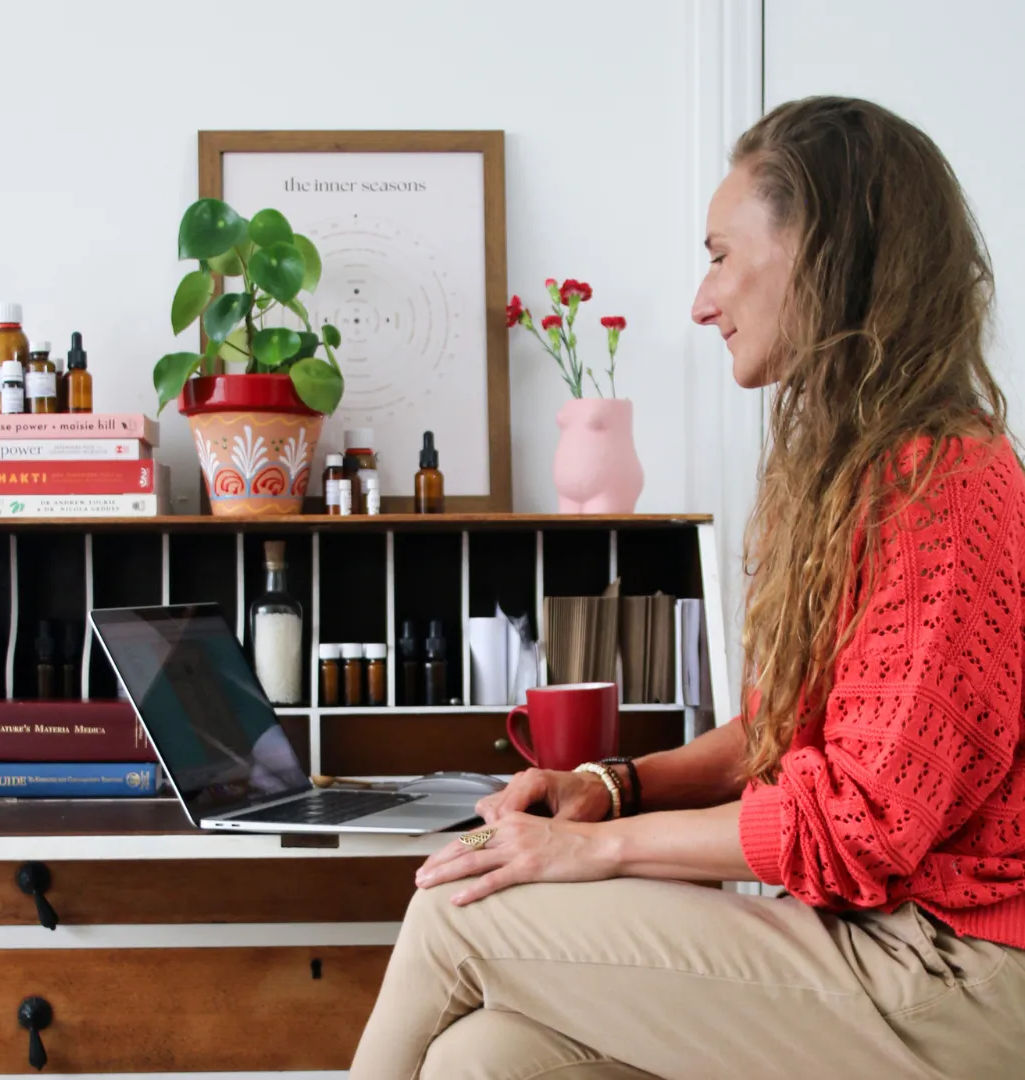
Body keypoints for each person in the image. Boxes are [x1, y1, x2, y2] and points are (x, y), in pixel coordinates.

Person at [348, 96, 1025, 1080]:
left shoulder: (947, 483)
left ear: (824, 252)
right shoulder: (865, 473)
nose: (701, 302)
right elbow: (781, 738)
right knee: (488, 1057)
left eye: (718, 253)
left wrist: (597, 853)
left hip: (954, 975)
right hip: (869, 941)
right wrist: (609, 787)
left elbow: (858, 825)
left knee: (456, 911)